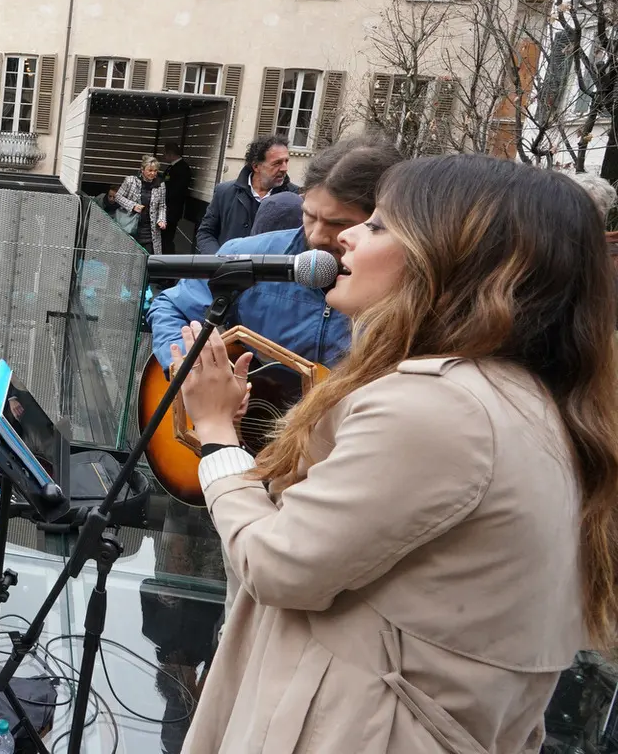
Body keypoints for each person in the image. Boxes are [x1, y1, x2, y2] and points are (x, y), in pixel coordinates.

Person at [173, 156, 618, 754]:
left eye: (379, 225)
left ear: (460, 260)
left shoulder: (442, 408)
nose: (346, 236)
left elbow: (279, 564)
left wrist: (217, 434)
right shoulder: (521, 400)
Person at [150, 136, 401, 372]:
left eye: (338, 223)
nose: (315, 236)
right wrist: (190, 367)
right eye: (310, 216)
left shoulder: (413, 295)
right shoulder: (246, 254)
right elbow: (172, 306)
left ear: (384, 223)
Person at [195, 135, 296, 253]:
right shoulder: (224, 192)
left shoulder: (294, 197)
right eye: (277, 163)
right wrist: (218, 261)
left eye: (286, 161)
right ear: (256, 166)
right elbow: (206, 233)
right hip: (227, 269)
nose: (284, 168)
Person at [114, 155, 168, 254]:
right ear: (142, 170)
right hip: (130, 226)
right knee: (129, 257)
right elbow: (118, 197)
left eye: (155, 171)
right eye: (150, 170)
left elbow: (162, 206)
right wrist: (133, 206)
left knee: (148, 258)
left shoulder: (160, 185)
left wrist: (161, 219)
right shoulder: (130, 181)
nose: (153, 173)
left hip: (150, 231)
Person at [160, 143, 194, 255]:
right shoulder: (172, 167)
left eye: (165, 153)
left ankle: (167, 260)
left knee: (167, 238)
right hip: (166, 209)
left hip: (171, 210)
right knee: (162, 238)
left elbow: (176, 190)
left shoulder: (182, 168)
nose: (163, 156)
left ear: (170, 153)